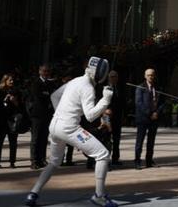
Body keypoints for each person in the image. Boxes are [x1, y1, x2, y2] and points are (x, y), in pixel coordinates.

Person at [25, 57, 116, 207]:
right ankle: (99, 196)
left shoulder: (74, 81)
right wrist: (106, 99)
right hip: (69, 128)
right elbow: (91, 115)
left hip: (54, 125)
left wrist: (61, 114)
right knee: (103, 155)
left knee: (54, 161)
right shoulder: (88, 87)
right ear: (100, 73)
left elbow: (55, 96)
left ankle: (33, 193)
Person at [134, 68, 163, 170]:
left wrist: (156, 113)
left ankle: (149, 161)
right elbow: (139, 103)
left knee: (151, 141)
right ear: (145, 76)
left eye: (152, 75)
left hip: (154, 119)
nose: (151, 77)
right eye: (149, 75)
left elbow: (162, 103)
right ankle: (137, 161)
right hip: (143, 118)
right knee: (140, 141)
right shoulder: (140, 87)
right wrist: (150, 113)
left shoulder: (158, 87)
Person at [0, 74, 23, 169]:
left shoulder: (16, 91)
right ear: (5, 81)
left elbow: (21, 106)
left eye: (12, 80)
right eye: (10, 80)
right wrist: (4, 100)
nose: (12, 82)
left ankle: (12, 162)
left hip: (12, 120)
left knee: (13, 142)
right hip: (1, 120)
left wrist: (14, 101)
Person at [29, 65, 54, 170]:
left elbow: (52, 95)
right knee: (35, 138)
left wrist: (47, 95)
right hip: (37, 115)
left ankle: (42, 159)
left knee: (44, 138)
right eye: (44, 71)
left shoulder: (50, 83)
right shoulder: (36, 83)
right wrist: (47, 95)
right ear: (40, 72)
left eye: (48, 71)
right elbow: (38, 96)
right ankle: (34, 160)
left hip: (47, 115)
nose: (46, 73)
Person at [103, 70, 124, 166]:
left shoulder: (120, 88)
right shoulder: (104, 88)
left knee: (116, 139)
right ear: (108, 78)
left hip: (117, 118)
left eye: (115, 76)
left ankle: (115, 159)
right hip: (107, 117)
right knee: (106, 138)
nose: (114, 78)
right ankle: (105, 159)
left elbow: (122, 103)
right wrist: (106, 110)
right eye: (112, 76)